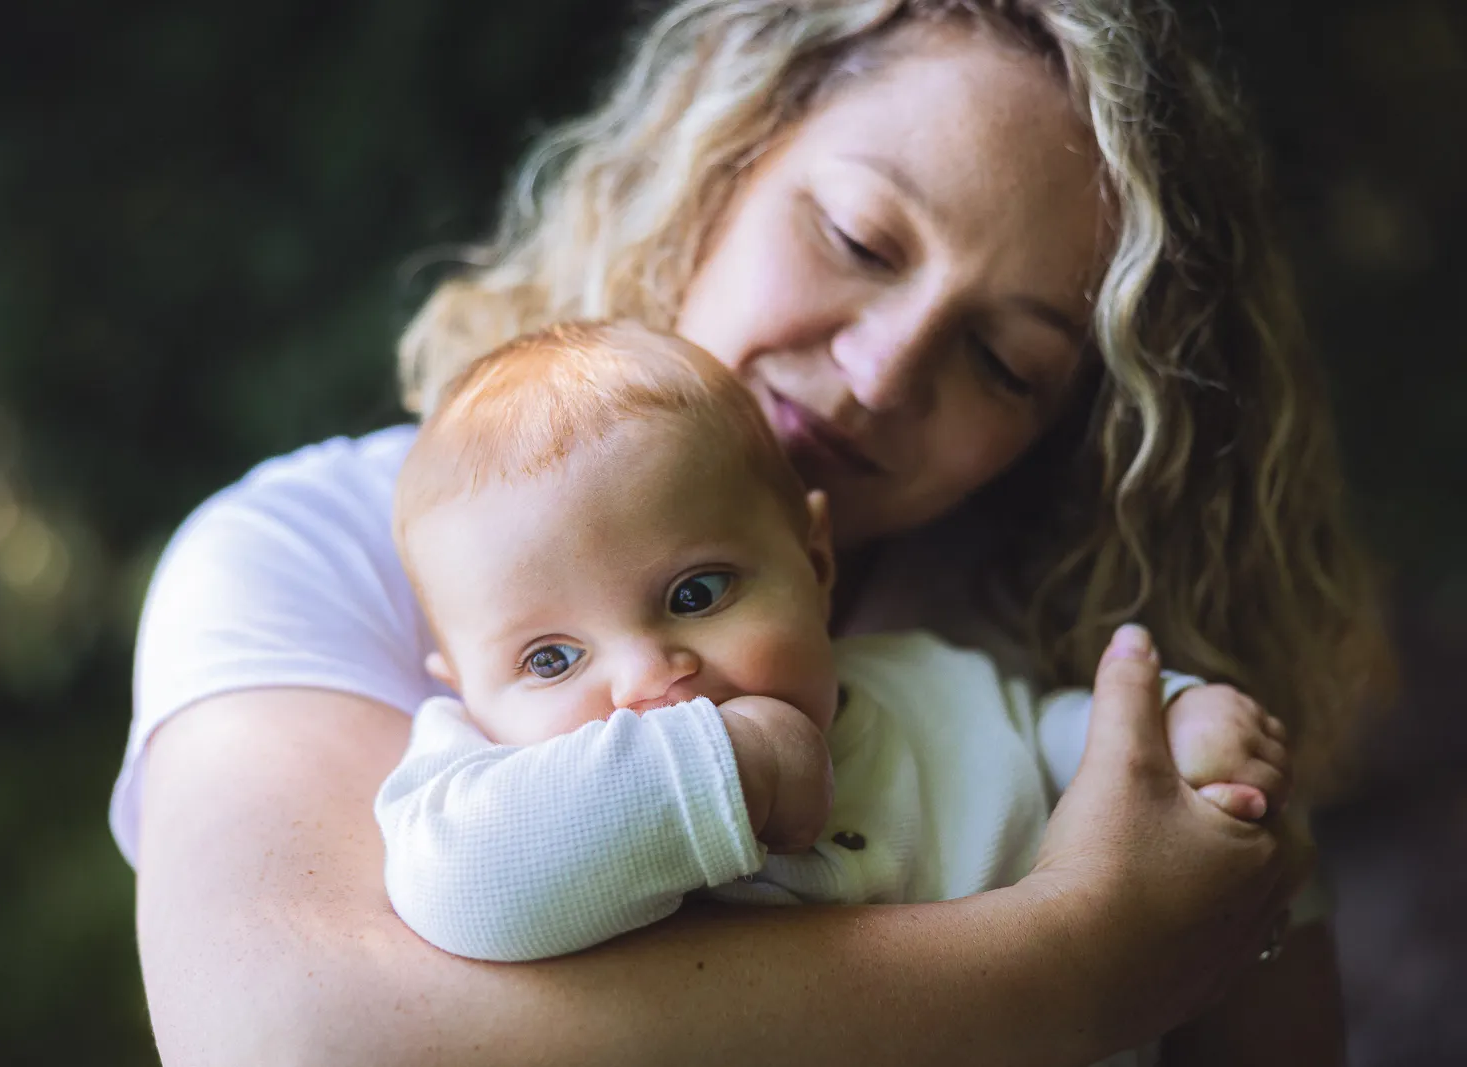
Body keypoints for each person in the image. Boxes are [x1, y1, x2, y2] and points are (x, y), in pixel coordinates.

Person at [116, 2, 1389, 1065]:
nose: (884, 369)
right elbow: (289, 1038)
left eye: (1002, 360)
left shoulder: (1029, 645)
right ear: (722, 155)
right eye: (857, 238)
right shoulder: (319, 546)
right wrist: (1071, 960)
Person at [376, 321, 1287, 986]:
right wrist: (725, 766)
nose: (649, 677)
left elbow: (1064, 750)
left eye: (696, 594)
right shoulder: (478, 786)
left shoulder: (937, 686)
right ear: (464, 689)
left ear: (814, 562)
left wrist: (1174, 724)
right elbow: (465, 891)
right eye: (550, 660)